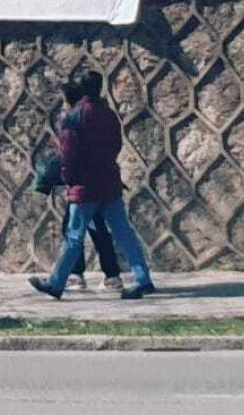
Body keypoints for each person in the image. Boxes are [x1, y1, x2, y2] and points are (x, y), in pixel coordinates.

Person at [30, 73, 157, 300]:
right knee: (125, 234)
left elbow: (67, 155)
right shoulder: (108, 114)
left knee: (73, 236)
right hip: (109, 182)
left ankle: (56, 283)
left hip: (84, 188)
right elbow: (116, 144)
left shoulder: (75, 118)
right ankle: (143, 279)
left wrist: (70, 179)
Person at [31, 149, 124, 292]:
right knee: (98, 231)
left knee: (73, 234)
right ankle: (111, 276)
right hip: (99, 185)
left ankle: (76, 276)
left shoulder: (74, 131)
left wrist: (43, 188)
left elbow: (62, 162)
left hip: (83, 192)